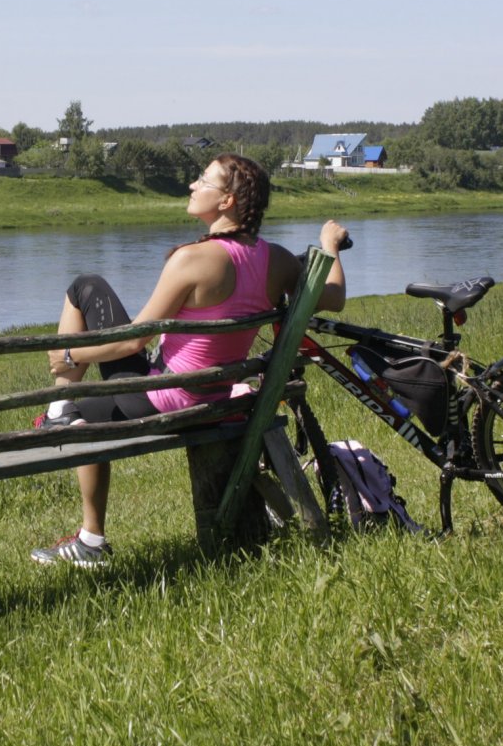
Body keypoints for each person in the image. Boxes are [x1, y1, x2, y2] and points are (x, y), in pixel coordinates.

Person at [30, 152, 349, 567]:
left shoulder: (192, 259)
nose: (192, 186)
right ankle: (64, 413)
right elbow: (335, 297)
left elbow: (133, 341)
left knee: (85, 287)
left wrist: (71, 353)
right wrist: (330, 247)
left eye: (203, 181)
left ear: (227, 201)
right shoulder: (276, 260)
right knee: (87, 405)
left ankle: (85, 514)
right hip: (213, 399)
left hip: (161, 399)